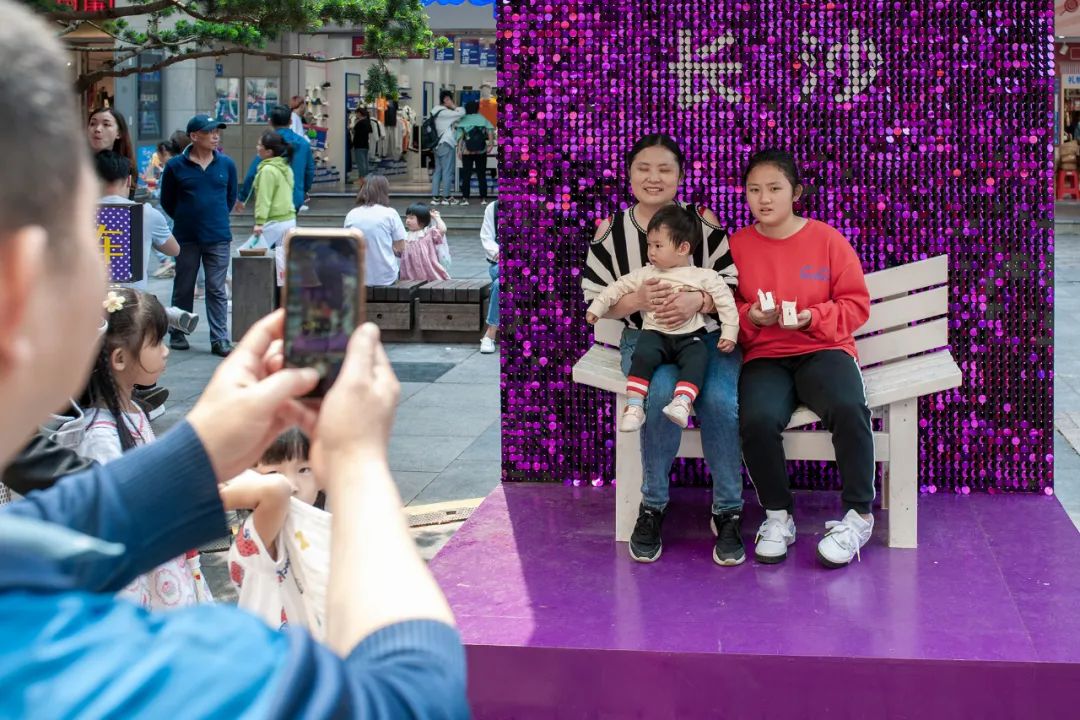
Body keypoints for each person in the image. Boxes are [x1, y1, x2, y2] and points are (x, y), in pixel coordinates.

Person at [0, 5, 466, 713]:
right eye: (89, 227)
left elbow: (43, 540)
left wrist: (199, 449)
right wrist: (359, 465)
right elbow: (411, 699)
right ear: (21, 282)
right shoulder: (141, 671)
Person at [581, 133, 745, 566]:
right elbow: (595, 297)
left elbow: (730, 284)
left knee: (720, 400)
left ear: (679, 175)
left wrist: (700, 301)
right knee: (657, 396)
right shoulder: (610, 231)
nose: (653, 177)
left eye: (664, 169)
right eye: (644, 168)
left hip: (705, 339)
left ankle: (728, 510)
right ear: (629, 174)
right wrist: (637, 300)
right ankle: (652, 505)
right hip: (647, 341)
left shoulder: (701, 222)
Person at [731, 148, 873, 569]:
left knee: (848, 406)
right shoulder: (736, 246)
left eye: (774, 188)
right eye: (754, 190)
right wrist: (750, 317)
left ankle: (858, 516)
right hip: (766, 355)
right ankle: (778, 516)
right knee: (756, 419)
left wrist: (813, 317)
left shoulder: (827, 240)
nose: (764, 198)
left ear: (796, 193)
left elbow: (856, 305)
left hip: (824, 349)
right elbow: (722, 306)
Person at [56, 287, 212, 608]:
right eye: (156, 343)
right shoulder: (100, 437)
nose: (165, 351)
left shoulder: (133, 411)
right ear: (119, 358)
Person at [586, 204, 738, 433]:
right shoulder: (646, 273)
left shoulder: (703, 276)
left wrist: (729, 332)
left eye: (658, 246)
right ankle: (634, 406)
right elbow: (616, 288)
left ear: (683, 248)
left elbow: (726, 301)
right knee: (643, 354)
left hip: (689, 337)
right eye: (649, 245)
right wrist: (597, 308)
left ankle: (682, 402)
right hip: (655, 335)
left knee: (698, 358)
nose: (651, 252)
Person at [223, 428, 330, 638]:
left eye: (304, 469)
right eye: (273, 473)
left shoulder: (322, 526)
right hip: (278, 652)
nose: (292, 485)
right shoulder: (259, 533)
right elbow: (276, 491)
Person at [159, 114, 238, 358]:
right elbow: (167, 201)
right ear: (194, 136)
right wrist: (186, 217)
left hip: (218, 235)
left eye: (217, 131)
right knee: (184, 285)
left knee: (216, 288)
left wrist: (214, 217)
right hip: (186, 236)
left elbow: (230, 197)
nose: (215, 136)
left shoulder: (227, 164)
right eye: (209, 132)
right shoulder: (175, 166)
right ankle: (178, 332)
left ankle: (220, 338)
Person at [239, 105, 315, 215]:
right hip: (295, 198)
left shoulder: (268, 143)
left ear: (270, 122)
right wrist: (302, 190)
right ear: (291, 121)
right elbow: (309, 171)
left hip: (271, 199)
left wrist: (242, 197)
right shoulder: (303, 144)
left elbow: (252, 173)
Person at [249, 130, 297, 287]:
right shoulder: (286, 167)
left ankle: (255, 289)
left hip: (274, 222)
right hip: (288, 220)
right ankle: (283, 295)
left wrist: (259, 222)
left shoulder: (268, 170)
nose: (257, 147)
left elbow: (264, 198)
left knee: (251, 255)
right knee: (284, 261)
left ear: (269, 151)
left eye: (259, 145)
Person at [344, 174, 407, 287]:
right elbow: (401, 247)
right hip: (386, 277)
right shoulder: (390, 214)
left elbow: (347, 244)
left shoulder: (351, 215)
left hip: (358, 277)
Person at [429, 91, 466, 206]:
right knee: (447, 171)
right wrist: (453, 106)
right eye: (450, 99)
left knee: (438, 171)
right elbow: (462, 112)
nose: (452, 101)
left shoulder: (435, 111)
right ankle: (446, 197)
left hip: (437, 145)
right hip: (446, 144)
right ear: (446, 99)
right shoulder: (445, 113)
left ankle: (435, 197)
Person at [455, 100, 495, 206]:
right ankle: (483, 199)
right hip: (481, 150)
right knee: (481, 174)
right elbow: (490, 130)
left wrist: (459, 150)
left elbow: (460, 136)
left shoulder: (463, 120)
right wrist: (490, 144)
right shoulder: (482, 118)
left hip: (466, 151)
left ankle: (465, 198)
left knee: (466, 174)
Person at [399, 203, 449, 282]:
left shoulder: (428, 233)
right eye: (407, 217)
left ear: (422, 221)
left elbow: (442, 230)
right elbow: (399, 251)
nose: (407, 220)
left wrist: (436, 217)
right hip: (410, 272)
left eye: (411, 218)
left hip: (428, 270)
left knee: (431, 285)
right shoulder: (405, 236)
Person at [87, 107, 136, 182]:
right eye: (92, 124)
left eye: (106, 124)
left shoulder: (124, 167)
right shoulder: (78, 164)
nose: (97, 129)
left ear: (119, 133)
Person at [480, 199, 499, 354]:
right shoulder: (494, 208)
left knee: (500, 284)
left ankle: (490, 334)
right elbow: (487, 238)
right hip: (500, 264)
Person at [351, 108, 372, 181]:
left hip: (359, 145)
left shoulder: (360, 123)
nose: (356, 115)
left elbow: (354, 132)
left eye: (356, 113)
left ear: (359, 113)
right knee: (365, 163)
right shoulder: (368, 122)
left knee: (361, 163)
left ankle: (363, 178)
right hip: (365, 145)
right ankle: (366, 178)